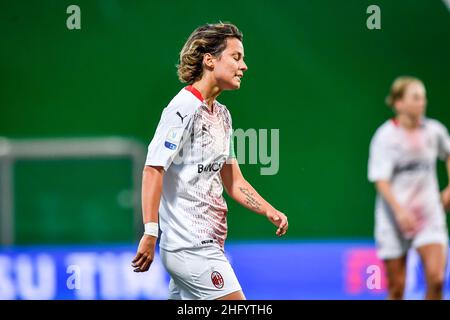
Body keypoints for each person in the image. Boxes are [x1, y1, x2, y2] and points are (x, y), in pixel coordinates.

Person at [131, 22, 288, 300]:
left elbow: (234, 182)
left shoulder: (223, 116)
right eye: (236, 57)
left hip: (206, 247)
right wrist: (150, 231)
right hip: (191, 247)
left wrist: (268, 211)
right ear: (210, 60)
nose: (244, 66)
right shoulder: (183, 108)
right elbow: (153, 169)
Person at [368, 76, 450, 299]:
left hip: (428, 216)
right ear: (398, 103)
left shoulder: (434, 131)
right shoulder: (385, 137)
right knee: (397, 288)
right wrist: (400, 211)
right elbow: (380, 180)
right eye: (415, 97)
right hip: (394, 219)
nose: (422, 102)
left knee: (437, 279)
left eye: (423, 97)